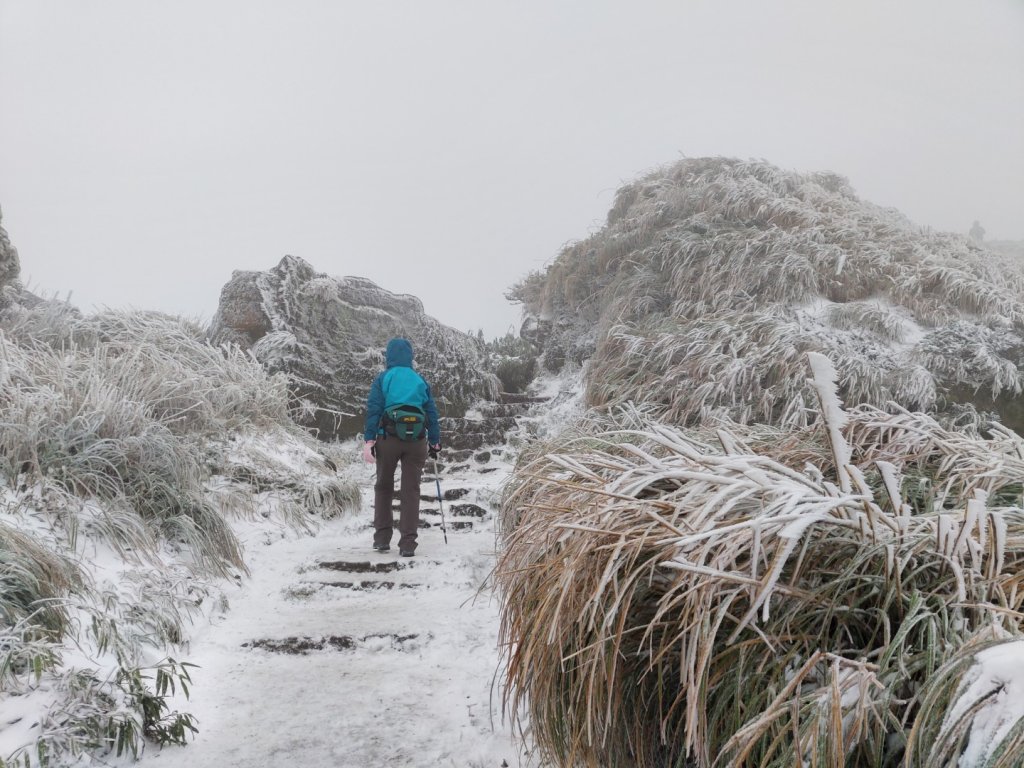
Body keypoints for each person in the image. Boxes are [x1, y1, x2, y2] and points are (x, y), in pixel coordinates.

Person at [362, 337, 441, 557]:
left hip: (388, 439)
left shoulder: (384, 378)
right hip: (417, 443)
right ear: (410, 356)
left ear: (389, 356)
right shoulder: (419, 380)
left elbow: (374, 410)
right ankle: (407, 544)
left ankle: (382, 539)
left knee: (384, 487)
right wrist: (435, 441)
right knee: (411, 491)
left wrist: (370, 440)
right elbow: (432, 413)